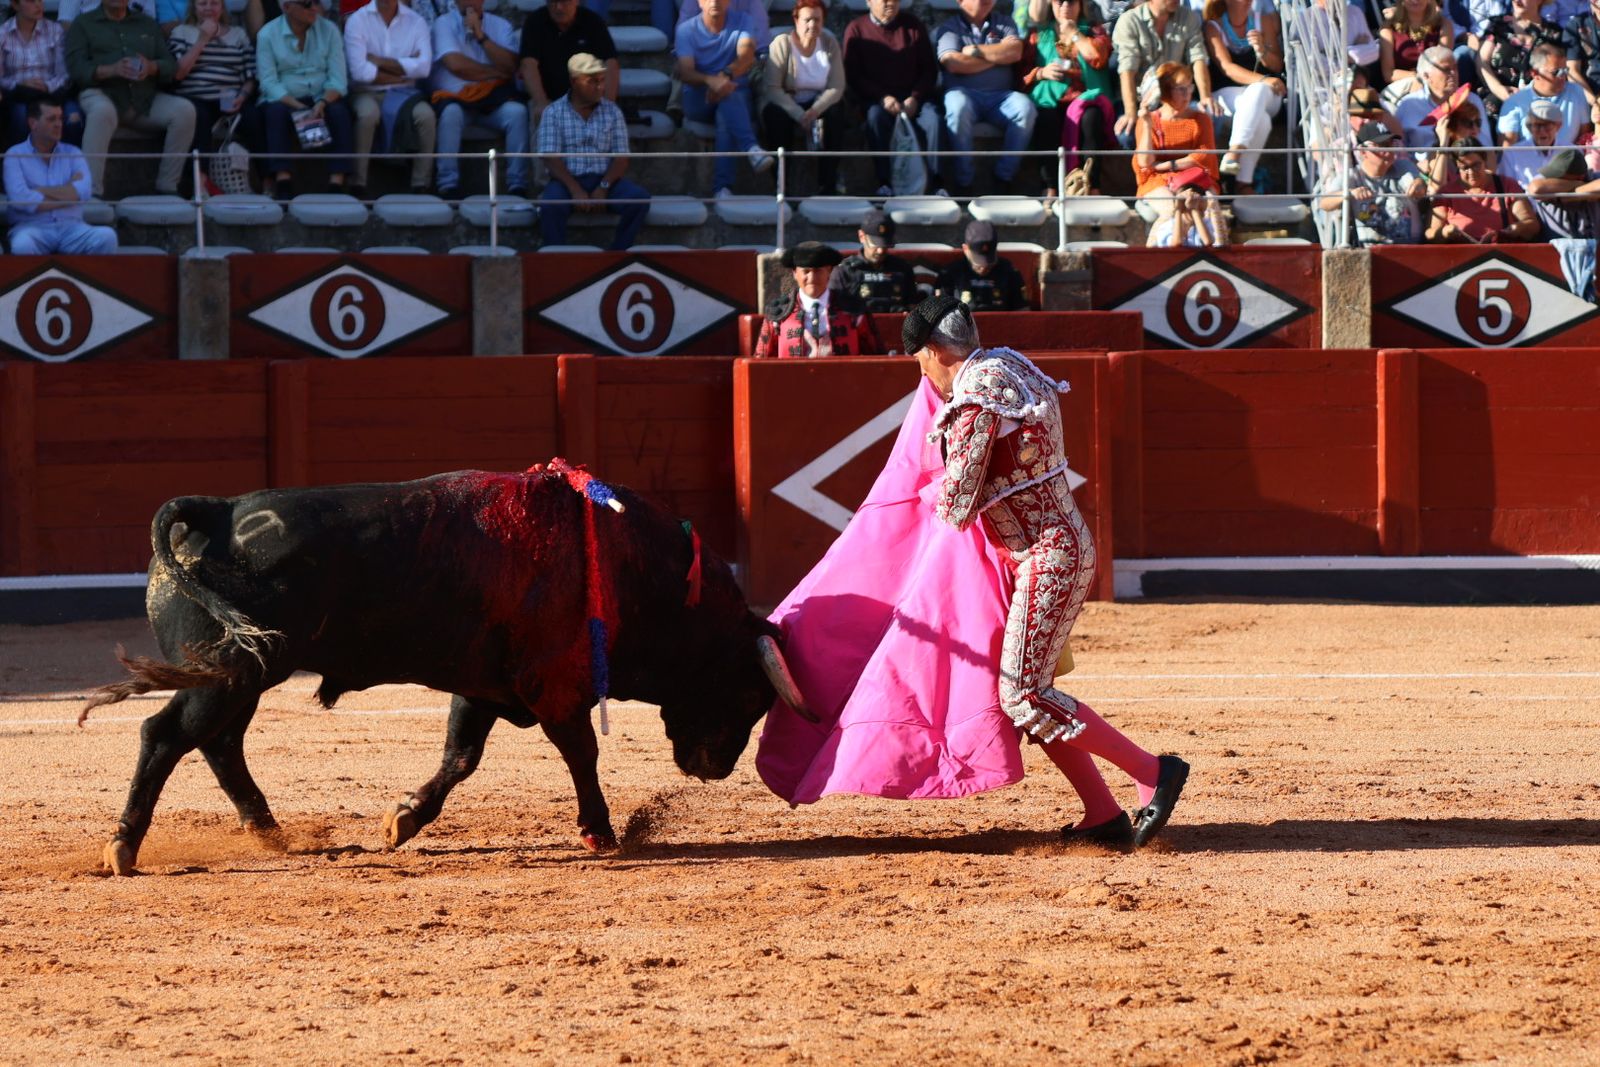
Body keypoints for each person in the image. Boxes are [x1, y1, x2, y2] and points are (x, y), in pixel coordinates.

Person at [906, 295, 1189, 847]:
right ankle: (1100, 812)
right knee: (1028, 694)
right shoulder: (1010, 366)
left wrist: (914, 496)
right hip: (1047, 552)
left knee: (1025, 694)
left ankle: (1154, 772)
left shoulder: (975, 399)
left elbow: (957, 505)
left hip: (1045, 557)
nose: (922, 374)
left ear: (936, 351)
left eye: (919, 360)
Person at [66, 0, 196, 197]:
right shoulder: (83, 23)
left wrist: (151, 67)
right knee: (102, 112)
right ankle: (91, 193)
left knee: (184, 111)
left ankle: (168, 188)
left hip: (143, 97)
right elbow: (76, 69)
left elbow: (170, 65)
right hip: (101, 92)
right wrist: (112, 70)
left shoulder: (147, 23)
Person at [537, 52, 649, 250]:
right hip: (567, 181)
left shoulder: (612, 111)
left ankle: (618, 253)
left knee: (639, 199)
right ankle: (555, 257)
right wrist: (575, 189)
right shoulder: (553, 112)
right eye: (592, 81)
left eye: (602, 80)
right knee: (550, 205)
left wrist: (603, 187)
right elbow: (551, 158)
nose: (600, 86)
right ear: (574, 82)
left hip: (605, 179)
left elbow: (621, 157)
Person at [841, 0, 943, 197]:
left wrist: (915, 97)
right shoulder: (856, 29)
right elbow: (853, 75)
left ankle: (937, 183)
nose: (891, 3)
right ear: (869, 2)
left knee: (933, 119)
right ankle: (884, 183)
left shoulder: (913, 26)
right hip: (878, 100)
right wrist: (882, 97)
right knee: (875, 118)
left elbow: (929, 70)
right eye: (884, 0)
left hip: (914, 99)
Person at [936, 0, 1037, 193]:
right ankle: (964, 181)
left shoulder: (1004, 23)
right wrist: (997, 58)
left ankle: (1003, 177)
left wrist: (975, 52)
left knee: (1025, 108)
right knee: (957, 107)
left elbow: (1015, 52)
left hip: (1001, 97)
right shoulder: (949, 28)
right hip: (964, 94)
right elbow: (953, 63)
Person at [431, 0, 529, 198]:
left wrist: (481, 36)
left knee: (518, 113)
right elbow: (456, 65)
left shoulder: (501, 26)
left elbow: (511, 65)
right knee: (450, 114)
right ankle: (447, 183)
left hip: (493, 102)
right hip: (457, 99)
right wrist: (495, 72)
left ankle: (517, 184)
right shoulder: (443, 23)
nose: (469, 2)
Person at [675, 0, 772, 198]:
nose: (715, 2)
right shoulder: (686, 30)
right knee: (729, 96)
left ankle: (722, 190)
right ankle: (750, 148)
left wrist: (724, 77)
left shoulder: (743, 20)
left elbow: (746, 55)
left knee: (725, 108)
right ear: (699, 2)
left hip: (733, 90)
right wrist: (710, 81)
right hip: (697, 97)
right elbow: (685, 72)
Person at [256, 0, 352, 198]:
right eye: (307, 4)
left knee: (340, 112)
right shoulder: (267, 34)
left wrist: (322, 102)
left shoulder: (330, 30)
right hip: (287, 97)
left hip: (321, 95)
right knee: (275, 113)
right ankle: (283, 181)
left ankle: (337, 183)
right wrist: (298, 105)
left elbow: (338, 80)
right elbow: (268, 82)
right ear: (286, 7)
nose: (314, 8)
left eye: (316, 2)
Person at [344, 0, 435, 197]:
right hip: (365, 91)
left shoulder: (416, 21)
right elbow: (360, 72)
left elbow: (424, 68)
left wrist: (378, 61)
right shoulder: (357, 20)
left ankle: (421, 184)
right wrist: (404, 71)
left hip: (404, 93)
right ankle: (357, 184)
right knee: (368, 115)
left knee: (426, 116)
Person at [1022, 0, 1113, 194]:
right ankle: (1051, 187)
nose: (1064, 6)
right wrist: (1040, 72)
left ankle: (1092, 186)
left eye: (1071, 1)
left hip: (1085, 98)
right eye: (1058, 1)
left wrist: (1074, 33)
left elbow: (1098, 57)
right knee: (1045, 118)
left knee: (1092, 118)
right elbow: (1020, 74)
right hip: (1051, 99)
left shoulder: (1093, 31)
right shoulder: (1039, 34)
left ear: (1080, 5)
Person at [4, 99, 117, 252]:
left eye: (60, 118)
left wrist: (39, 191)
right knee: (23, 244)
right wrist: (69, 192)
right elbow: (21, 200)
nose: (59, 124)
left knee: (107, 237)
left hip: (72, 228)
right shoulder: (14, 155)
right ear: (33, 123)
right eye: (51, 119)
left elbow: (84, 192)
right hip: (32, 228)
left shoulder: (74, 153)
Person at [761, 0, 846, 196]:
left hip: (818, 104)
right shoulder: (782, 43)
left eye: (817, 19)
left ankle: (828, 185)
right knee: (775, 116)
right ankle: (782, 185)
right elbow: (773, 88)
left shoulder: (829, 43)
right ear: (796, 20)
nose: (812, 25)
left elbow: (837, 86)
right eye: (807, 20)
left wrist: (815, 110)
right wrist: (800, 114)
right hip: (788, 102)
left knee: (836, 112)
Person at [518, 0, 617, 167]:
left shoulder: (592, 22)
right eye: (553, 2)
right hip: (549, 98)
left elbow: (611, 64)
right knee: (542, 115)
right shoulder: (535, 22)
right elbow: (528, 65)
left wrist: (608, 103)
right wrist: (541, 101)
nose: (558, 8)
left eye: (564, 2)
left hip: (588, 100)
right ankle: (546, 186)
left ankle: (595, 178)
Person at [1203, 0, 1285, 193]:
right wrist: (1263, 79)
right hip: (1229, 94)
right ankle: (1243, 183)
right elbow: (1227, 68)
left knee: (1258, 91)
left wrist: (1262, 50)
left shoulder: (1263, 21)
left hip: (1268, 96)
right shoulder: (1213, 26)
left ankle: (1235, 152)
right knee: (1261, 119)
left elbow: (1277, 66)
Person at [167, 0, 260, 166]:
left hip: (231, 97)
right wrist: (203, 39)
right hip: (196, 96)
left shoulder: (238, 34)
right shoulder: (181, 32)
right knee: (198, 117)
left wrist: (243, 95)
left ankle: (270, 182)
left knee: (255, 117)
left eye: (214, 3)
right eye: (203, 3)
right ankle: (200, 182)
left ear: (222, 7)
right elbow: (178, 73)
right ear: (193, 8)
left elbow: (250, 74)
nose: (209, 8)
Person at [1111, 0, 1212, 152]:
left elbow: (1198, 59)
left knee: (1208, 118)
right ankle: (1146, 173)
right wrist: (1131, 112)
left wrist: (1205, 97)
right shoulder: (1129, 21)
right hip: (1140, 100)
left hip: (1176, 98)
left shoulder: (1188, 17)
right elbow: (1127, 71)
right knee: (1127, 134)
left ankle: (1189, 172)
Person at [753, 242, 883, 359]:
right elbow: (761, 361)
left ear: (829, 271)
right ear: (795, 273)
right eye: (806, 271)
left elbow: (877, 358)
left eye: (818, 271)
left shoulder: (854, 310)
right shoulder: (778, 314)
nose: (812, 277)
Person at [1132, 60, 1220, 221]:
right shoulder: (1149, 119)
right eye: (1181, 89)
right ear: (1165, 91)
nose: (1188, 94)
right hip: (1158, 181)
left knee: (1209, 212)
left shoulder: (1200, 119)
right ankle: (1160, 245)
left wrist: (1165, 165)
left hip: (1195, 177)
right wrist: (1146, 124)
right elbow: (1144, 162)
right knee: (1173, 211)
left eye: (1190, 87)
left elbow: (1203, 156)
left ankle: (1208, 246)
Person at [1317, 122, 1428, 244]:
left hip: (1411, 249)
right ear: (1363, 151)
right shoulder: (1352, 176)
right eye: (1381, 145)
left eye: (1390, 144)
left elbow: (1418, 184)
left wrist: (1420, 184)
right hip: (1371, 254)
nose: (1389, 150)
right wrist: (1349, 193)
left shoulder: (1404, 166)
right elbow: (1324, 203)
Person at [0, 0, 84, 149]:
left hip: (54, 94)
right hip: (20, 96)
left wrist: (47, 86)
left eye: (40, 0)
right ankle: (25, 165)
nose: (38, 5)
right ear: (15, 5)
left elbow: (64, 74)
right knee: (21, 118)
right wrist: (20, 85)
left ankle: (67, 166)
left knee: (74, 118)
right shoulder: (3, 34)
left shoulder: (55, 31)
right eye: (32, 1)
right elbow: (1, 79)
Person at [1426, 139, 1541, 238]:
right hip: (1460, 256)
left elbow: (1532, 225)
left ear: (1484, 161)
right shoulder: (1447, 193)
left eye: (1476, 165)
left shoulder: (1506, 186)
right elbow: (1430, 234)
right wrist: (1445, 232)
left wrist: (1518, 228)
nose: (1471, 172)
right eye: (1465, 168)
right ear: (1457, 167)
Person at [1476, 0, 1564, 121]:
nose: (1517, 1)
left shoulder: (1554, 35)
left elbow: (1557, 73)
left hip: (1535, 102)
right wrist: (1498, 88)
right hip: (1496, 95)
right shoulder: (1499, 25)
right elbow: (1482, 61)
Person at [1395, 46, 1490, 147]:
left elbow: (1487, 147)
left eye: (1455, 68)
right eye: (1446, 69)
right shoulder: (1409, 105)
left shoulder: (1472, 100)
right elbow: (1400, 152)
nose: (1453, 73)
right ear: (1426, 76)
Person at [830, 206, 919, 313]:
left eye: (885, 245)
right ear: (862, 236)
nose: (881, 251)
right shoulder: (844, 272)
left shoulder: (903, 269)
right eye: (875, 244)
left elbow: (913, 307)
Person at [1498, 42, 1589, 146]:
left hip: (1568, 160)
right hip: (1528, 161)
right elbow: (1507, 150)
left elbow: (1584, 139)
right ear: (1535, 74)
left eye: (1565, 70)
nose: (1563, 76)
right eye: (1556, 72)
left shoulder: (1576, 92)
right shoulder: (1515, 103)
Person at [936, 219, 1028, 311]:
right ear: (965, 249)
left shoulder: (1009, 272)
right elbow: (941, 316)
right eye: (977, 262)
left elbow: (1023, 314)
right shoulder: (950, 274)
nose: (983, 267)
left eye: (989, 261)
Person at [1380, 0, 1456, 98]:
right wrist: (1418, 77)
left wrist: (1427, 80)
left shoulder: (1444, 25)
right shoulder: (1388, 29)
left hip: (1437, 83)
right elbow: (1388, 74)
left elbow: (1443, 64)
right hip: (1404, 86)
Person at [1526, 144, 1600, 234]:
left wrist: (1575, 194)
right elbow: (1536, 189)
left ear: (1580, 177)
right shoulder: (1543, 179)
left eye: (1559, 176)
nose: (1553, 178)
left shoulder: (1592, 178)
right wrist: (1579, 185)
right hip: (1552, 244)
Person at [1498, 95, 1561, 181]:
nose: (1542, 131)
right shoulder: (1512, 154)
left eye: (1547, 125)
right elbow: (1506, 187)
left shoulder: (1571, 151)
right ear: (1529, 128)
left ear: (1558, 126)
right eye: (1537, 125)